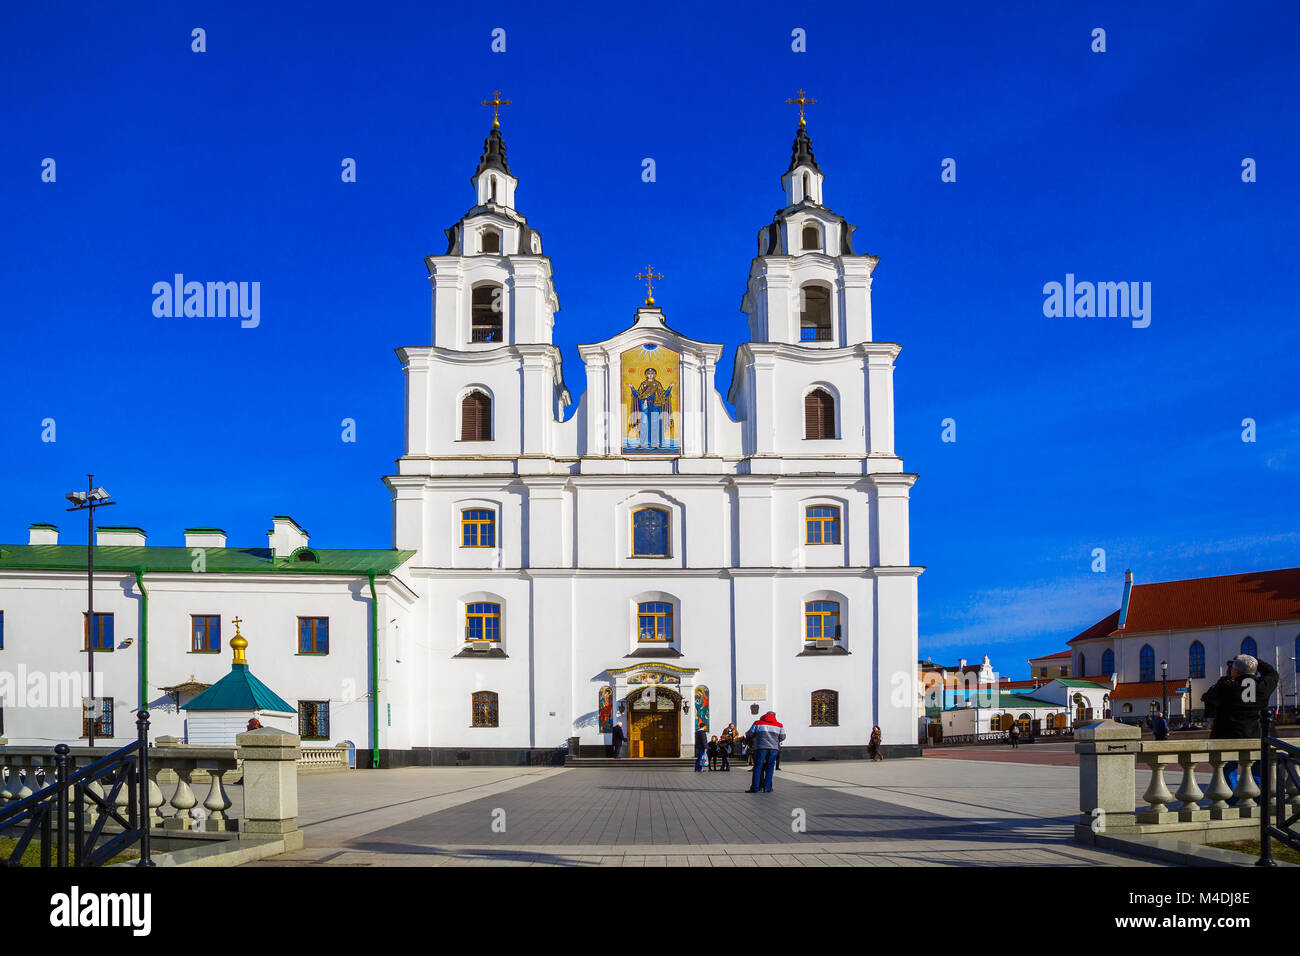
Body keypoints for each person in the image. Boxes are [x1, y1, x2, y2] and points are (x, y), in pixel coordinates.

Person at [1204, 654, 1280, 796]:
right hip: (1256, 735)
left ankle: (1231, 800)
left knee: (1227, 769)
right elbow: (1272, 673)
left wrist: (1227, 677)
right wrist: (1253, 660)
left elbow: (1208, 697)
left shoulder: (1226, 686)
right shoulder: (1263, 687)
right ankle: (1258, 799)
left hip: (1228, 736)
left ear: (1236, 672)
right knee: (1258, 771)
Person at [745, 711, 786, 793]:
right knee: (770, 768)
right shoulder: (779, 725)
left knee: (757, 767)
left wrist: (756, 737)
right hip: (773, 748)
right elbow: (782, 737)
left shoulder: (757, 723)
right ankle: (767, 788)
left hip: (760, 748)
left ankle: (755, 788)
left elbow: (749, 734)